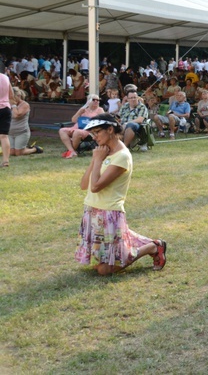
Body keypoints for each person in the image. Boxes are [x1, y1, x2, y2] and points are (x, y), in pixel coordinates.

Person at [74, 114, 167, 275]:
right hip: (92, 210)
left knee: (105, 270)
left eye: (97, 132)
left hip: (109, 213)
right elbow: (84, 185)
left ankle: (153, 246)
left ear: (110, 129)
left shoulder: (122, 156)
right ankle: (130, 239)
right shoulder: (102, 152)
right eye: (92, 134)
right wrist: (95, 160)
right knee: (101, 265)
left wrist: (97, 160)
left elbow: (95, 187)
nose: (94, 137)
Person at [59, 94, 105, 159]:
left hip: (89, 130)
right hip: (76, 127)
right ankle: (72, 151)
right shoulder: (83, 109)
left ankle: (71, 151)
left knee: (77, 132)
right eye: (94, 99)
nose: (96, 101)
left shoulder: (100, 110)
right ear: (88, 101)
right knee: (62, 130)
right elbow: (73, 120)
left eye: (98, 100)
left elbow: (103, 121)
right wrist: (79, 112)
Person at [8, 88, 43, 156]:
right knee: (11, 153)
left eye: (12, 97)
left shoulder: (25, 105)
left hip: (21, 132)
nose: (10, 99)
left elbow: (16, 115)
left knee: (18, 153)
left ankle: (35, 149)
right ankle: (23, 147)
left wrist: (14, 105)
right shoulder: (8, 104)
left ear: (18, 96)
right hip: (10, 132)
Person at [1, 72, 17, 168]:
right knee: (4, 136)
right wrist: (14, 107)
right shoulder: (5, 78)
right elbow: (11, 95)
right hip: (5, 109)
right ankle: (6, 161)